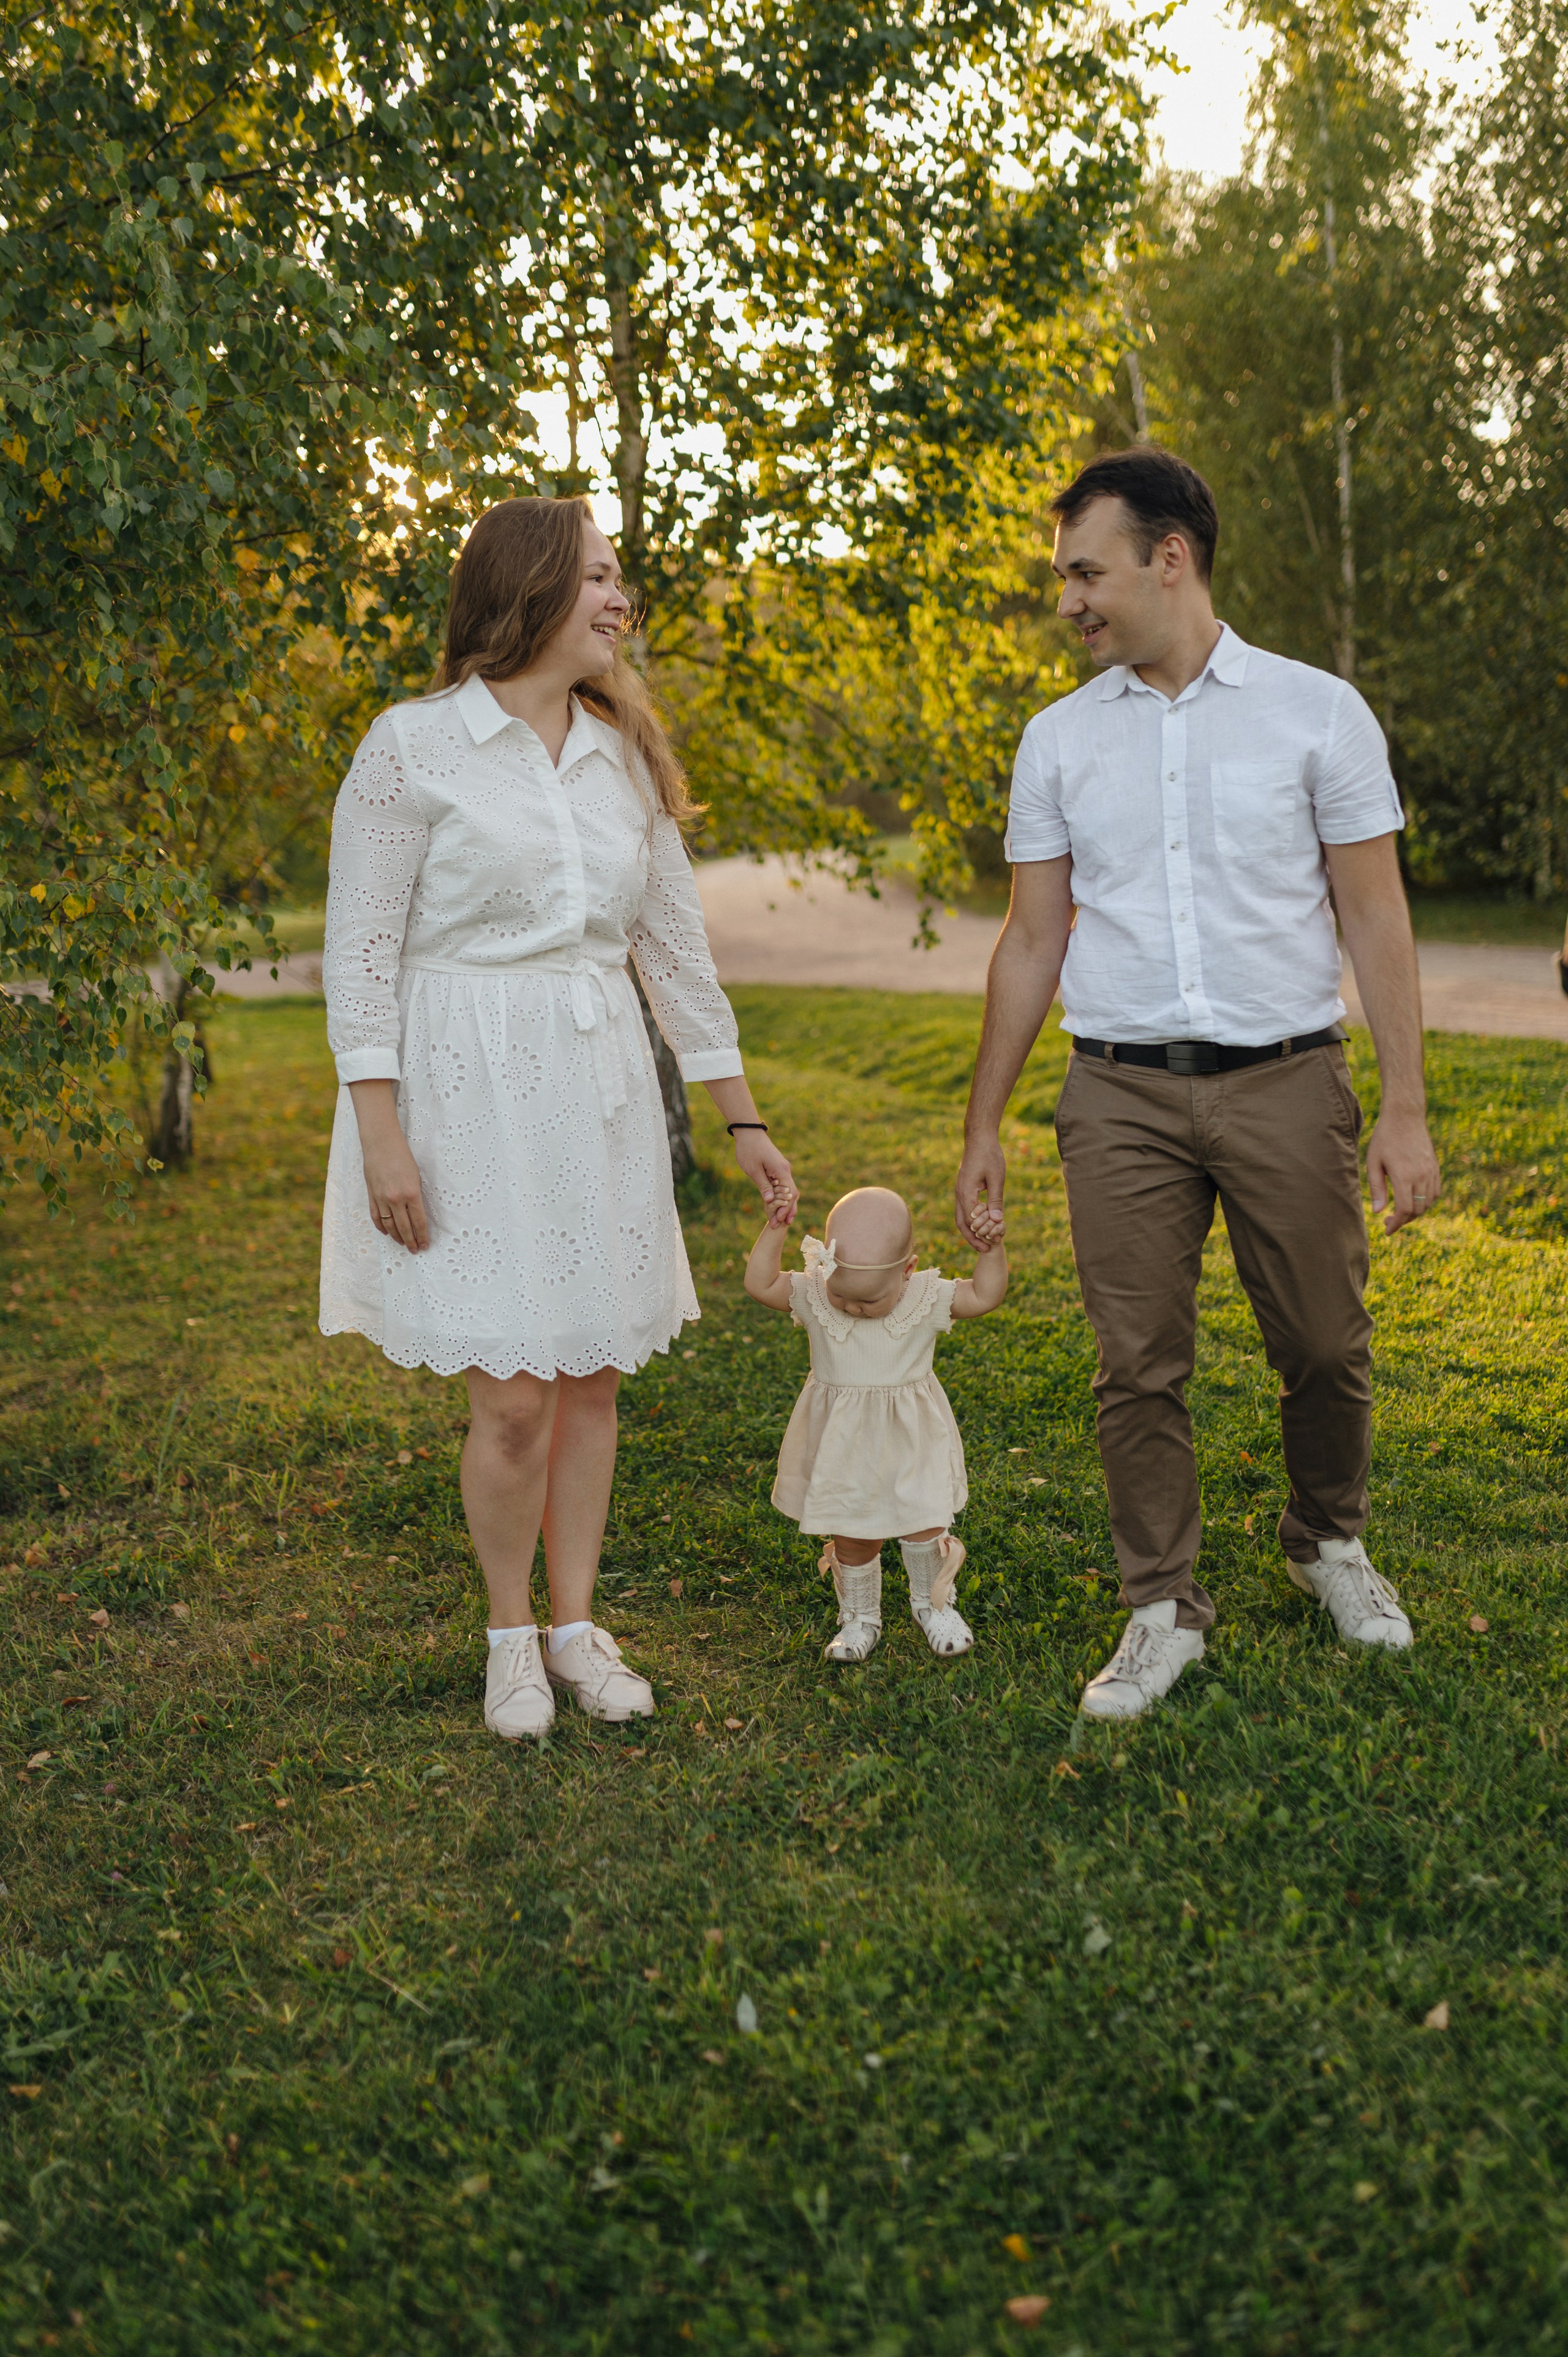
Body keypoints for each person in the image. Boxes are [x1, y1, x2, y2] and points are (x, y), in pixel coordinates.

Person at [954, 445, 1442, 1723]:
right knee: (1135, 1364)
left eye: (1084, 571)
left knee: (1326, 1344)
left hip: (1285, 1076)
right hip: (1115, 1092)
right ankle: (1160, 1605)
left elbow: (1374, 916)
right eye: (1063, 577)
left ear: (1168, 558)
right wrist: (983, 1121)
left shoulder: (1314, 712)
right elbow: (1031, 939)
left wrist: (1401, 1105)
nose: (1067, 600)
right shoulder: (1055, 740)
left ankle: (1324, 1539)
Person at [319, 496, 797, 1741]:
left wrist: (742, 1121)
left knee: (587, 1380)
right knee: (512, 1394)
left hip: (593, 1092)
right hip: (460, 1091)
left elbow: (674, 956)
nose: (617, 597)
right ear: (526, 590)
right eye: (594, 576)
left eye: (618, 575)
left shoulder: (620, 755)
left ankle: (577, 1627)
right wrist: (380, 1130)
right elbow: (362, 951)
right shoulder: (412, 746)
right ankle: (508, 1638)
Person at [744, 1185, 1008, 1662]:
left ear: (906, 1271)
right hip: (843, 1448)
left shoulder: (926, 1298)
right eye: (841, 1294)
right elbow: (760, 1284)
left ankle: (934, 1605)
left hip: (911, 1443)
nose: (851, 1308)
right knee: (852, 1532)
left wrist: (990, 1249)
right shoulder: (815, 1294)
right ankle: (861, 1616)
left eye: (868, 1301)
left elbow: (986, 1295)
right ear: (826, 1267)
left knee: (923, 1525)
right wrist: (775, 1228)